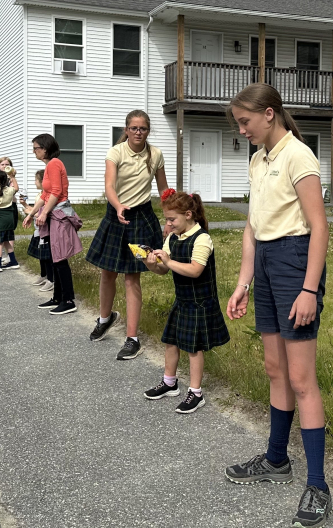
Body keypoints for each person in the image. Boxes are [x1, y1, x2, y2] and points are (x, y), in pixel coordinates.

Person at [222, 83, 332, 528]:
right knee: (274, 368)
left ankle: (319, 485)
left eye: (245, 122)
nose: (242, 130)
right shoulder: (257, 160)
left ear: (269, 114)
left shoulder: (297, 155)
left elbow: (320, 227)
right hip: (266, 263)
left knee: (302, 377)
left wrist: (309, 290)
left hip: (294, 263)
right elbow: (252, 227)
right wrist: (243, 281)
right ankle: (275, 459)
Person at [85, 110, 169, 361]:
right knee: (108, 272)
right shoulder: (116, 152)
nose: (138, 132)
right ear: (126, 129)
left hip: (140, 220)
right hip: (116, 216)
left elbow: (163, 188)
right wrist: (118, 205)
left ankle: (132, 338)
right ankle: (105, 318)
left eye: (142, 128)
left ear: (148, 131)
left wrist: (169, 218)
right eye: (133, 128)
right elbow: (109, 184)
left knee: (132, 278)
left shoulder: (155, 155)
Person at [141, 190, 229, 414]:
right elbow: (163, 270)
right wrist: (151, 263)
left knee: (194, 347)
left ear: (188, 214)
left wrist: (168, 262)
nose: (168, 224)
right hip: (183, 300)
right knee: (171, 341)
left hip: (200, 302)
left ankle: (196, 393)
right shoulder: (173, 238)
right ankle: (169, 382)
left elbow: (195, 270)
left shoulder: (202, 239)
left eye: (172, 219)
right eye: (167, 220)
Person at [32, 133, 82, 315]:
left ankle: (68, 300)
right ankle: (57, 297)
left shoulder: (54, 163)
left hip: (59, 215)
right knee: (55, 257)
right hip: (53, 214)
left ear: (44, 148)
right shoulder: (48, 166)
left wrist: (44, 213)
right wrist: (31, 213)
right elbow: (45, 195)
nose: (34, 152)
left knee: (60, 258)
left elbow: (56, 191)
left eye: (35, 148)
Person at [23, 170, 53, 292]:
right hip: (38, 229)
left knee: (47, 256)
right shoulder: (39, 195)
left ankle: (51, 279)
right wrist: (25, 205)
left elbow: (43, 214)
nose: (34, 182)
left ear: (43, 182)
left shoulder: (48, 196)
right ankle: (43, 275)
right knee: (41, 255)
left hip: (44, 229)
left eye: (36, 180)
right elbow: (35, 210)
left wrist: (31, 214)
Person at [0, 157, 21, 265]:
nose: (5, 166)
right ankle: (3, 255)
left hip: (9, 206)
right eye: (2, 164)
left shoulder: (11, 177)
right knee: (3, 234)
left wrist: (12, 177)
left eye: (7, 164)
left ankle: (8, 257)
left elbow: (14, 190)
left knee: (8, 232)